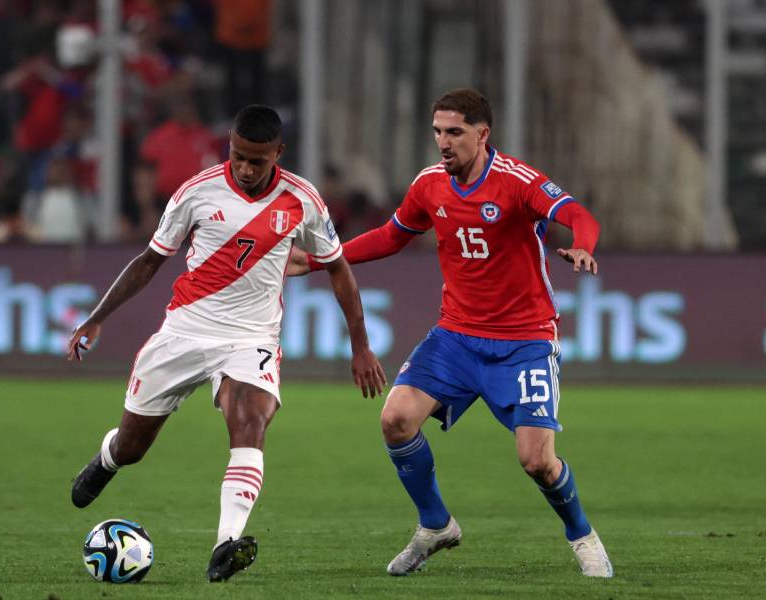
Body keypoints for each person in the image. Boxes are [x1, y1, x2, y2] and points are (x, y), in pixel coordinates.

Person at [289, 88, 613, 578]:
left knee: (536, 461)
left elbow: (577, 216)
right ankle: (436, 524)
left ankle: (582, 535)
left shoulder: (516, 180)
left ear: (482, 134)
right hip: (456, 336)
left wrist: (583, 245)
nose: (443, 141)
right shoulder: (429, 185)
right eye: (438, 131)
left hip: (524, 340)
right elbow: (392, 235)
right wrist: (322, 259)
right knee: (395, 419)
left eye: (455, 132)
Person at [67, 105, 386, 583]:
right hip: (184, 332)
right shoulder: (198, 192)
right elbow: (150, 261)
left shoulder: (304, 200)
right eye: (238, 156)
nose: (245, 168)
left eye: (257, 160)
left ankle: (226, 543)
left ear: (278, 152)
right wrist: (95, 318)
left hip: (251, 337)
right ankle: (108, 458)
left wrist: (359, 346)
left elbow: (338, 268)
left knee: (251, 421)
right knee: (134, 446)